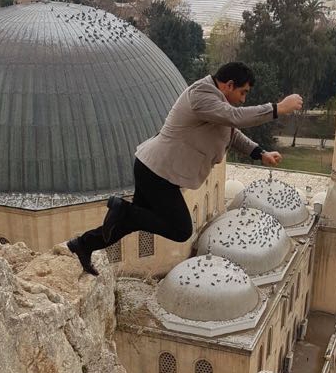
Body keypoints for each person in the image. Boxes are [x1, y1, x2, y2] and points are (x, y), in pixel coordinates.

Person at [64, 62, 303, 275]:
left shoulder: (216, 103)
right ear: (229, 85)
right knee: (180, 229)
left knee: (129, 223)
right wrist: (277, 108)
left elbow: (231, 132)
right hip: (157, 172)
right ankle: (122, 210)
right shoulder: (202, 95)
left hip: (156, 170)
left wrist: (259, 152)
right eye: (243, 92)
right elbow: (236, 117)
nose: (243, 99)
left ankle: (83, 245)